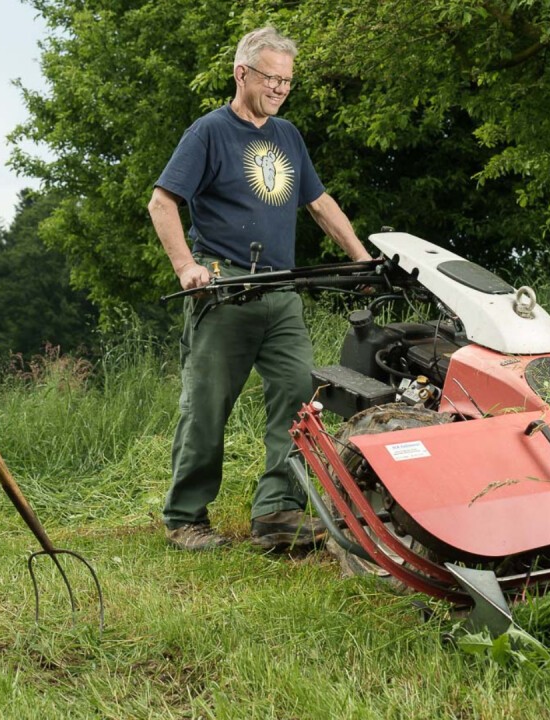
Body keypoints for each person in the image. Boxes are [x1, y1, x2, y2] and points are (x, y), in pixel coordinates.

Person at [148, 26, 372, 552]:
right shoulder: (209, 132)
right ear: (241, 72)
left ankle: (277, 513)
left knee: (299, 397)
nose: (278, 88)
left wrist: (362, 259)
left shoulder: (288, 136)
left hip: (282, 291)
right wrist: (186, 266)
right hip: (224, 290)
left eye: (287, 81)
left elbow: (318, 203)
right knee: (206, 406)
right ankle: (185, 518)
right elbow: (163, 202)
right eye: (270, 77)